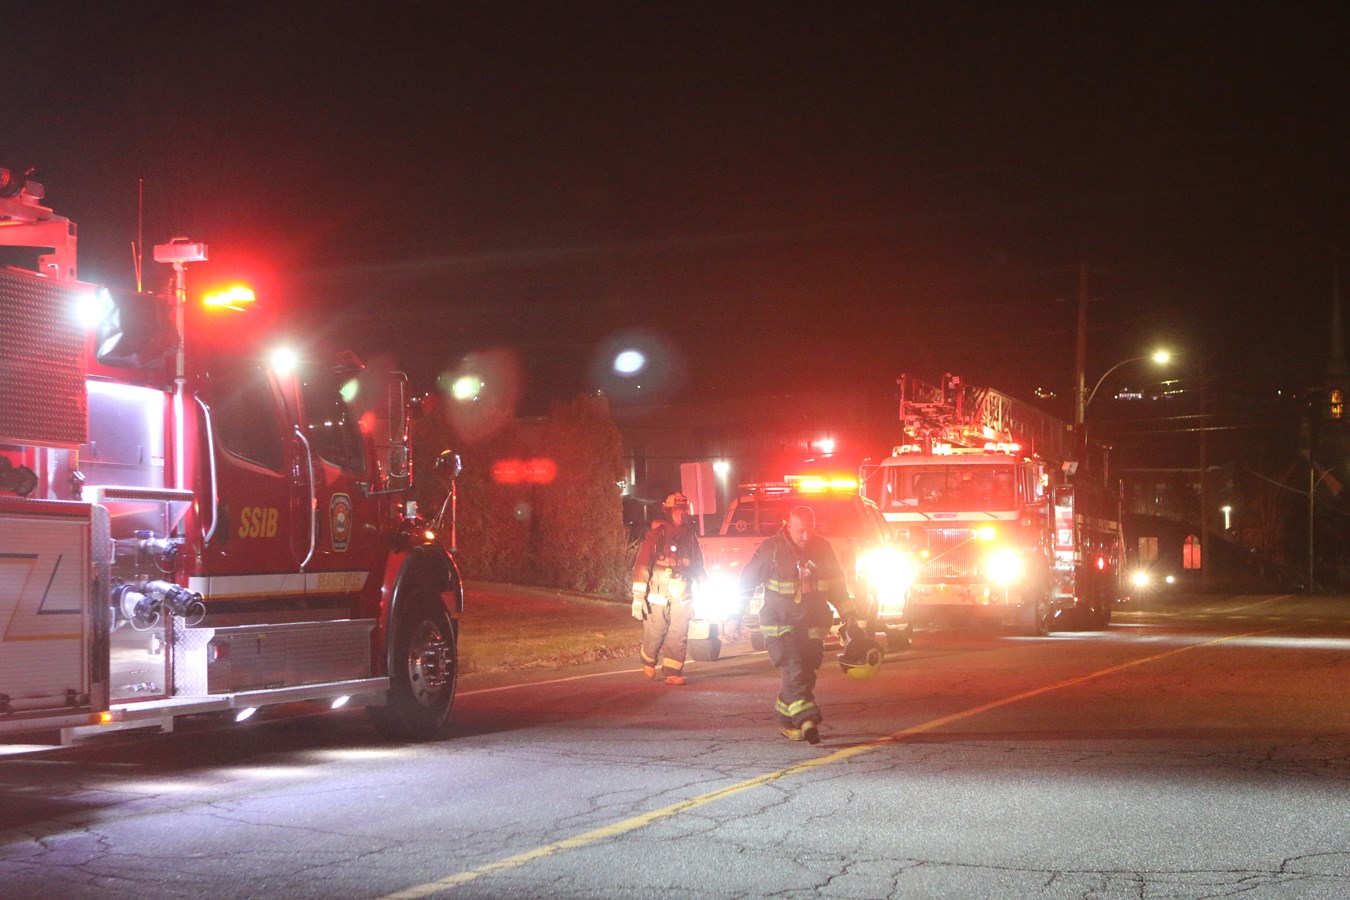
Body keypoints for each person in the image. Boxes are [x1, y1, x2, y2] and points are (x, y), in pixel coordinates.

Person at [728, 505, 856, 743]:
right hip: (780, 625)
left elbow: (838, 588)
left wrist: (850, 618)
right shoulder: (771, 550)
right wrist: (734, 617)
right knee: (794, 668)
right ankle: (807, 720)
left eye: (810, 530)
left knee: (804, 677)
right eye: (800, 531)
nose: (806, 536)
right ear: (789, 526)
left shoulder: (823, 549)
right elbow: (746, 584)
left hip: (812, 627)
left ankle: (787, 721)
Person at [631, 492, 706, 685]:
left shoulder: (690, 536)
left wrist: (704, 585)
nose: (681, 516)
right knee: (656, 631)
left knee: (679, 632)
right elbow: (642, 564)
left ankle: (673, 671)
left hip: (682, 591)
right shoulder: (658, 534)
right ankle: (648, 658)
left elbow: (698, 565)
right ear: (669, 512)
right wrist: (638, 597)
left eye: (683, 512)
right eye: (677, 512)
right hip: (659, 592)